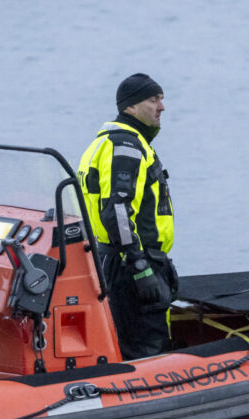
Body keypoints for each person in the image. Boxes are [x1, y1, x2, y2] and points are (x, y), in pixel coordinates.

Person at [78, 73, 178, 360]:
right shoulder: (126, 147)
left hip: (113, 261)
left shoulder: (103, 144)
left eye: (161, 99)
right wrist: (141, 267)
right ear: (130, 107)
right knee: (149, 351)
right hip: (133, 266)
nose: (162, 107)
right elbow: (117, 210)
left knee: (129, 345)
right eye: (153, 99)